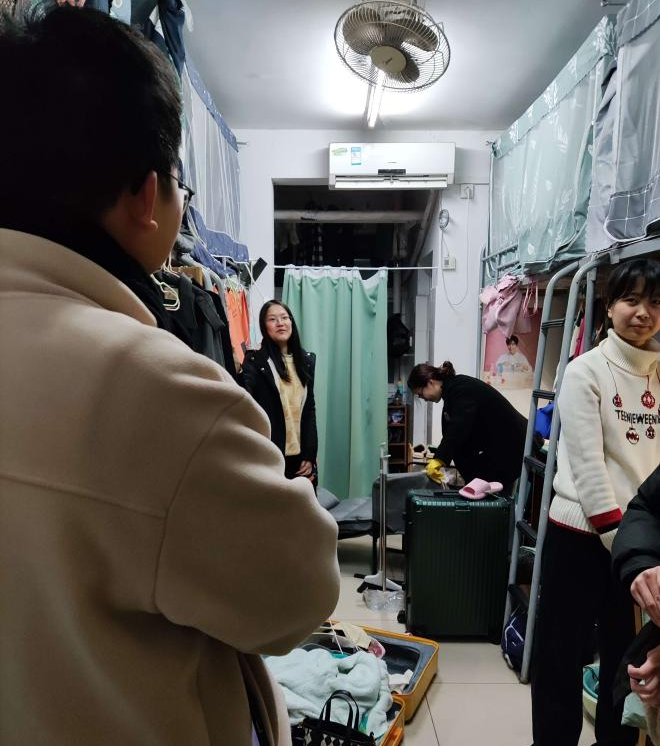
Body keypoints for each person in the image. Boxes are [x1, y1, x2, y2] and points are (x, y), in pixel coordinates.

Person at [0, 6, 339, 746]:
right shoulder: (162, 391)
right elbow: (299, 593)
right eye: (180, 184)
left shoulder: (279, 363)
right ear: (144, 195)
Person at [530, 258, 660, 746]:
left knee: (627, 660)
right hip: (582, 535)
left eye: (655, 302)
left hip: (638, 546)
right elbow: (588, 468)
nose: (643, 312)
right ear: (609, 307)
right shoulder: (585, 370)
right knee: (560, 657)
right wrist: (630, 548)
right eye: (631, 299)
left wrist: (642, 547)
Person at [407, 361, 527, 494]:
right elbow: (453, 434)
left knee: (494, 497)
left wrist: (439, 459)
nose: (422, 398)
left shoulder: (461, 388)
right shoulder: (451, 395)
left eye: (421, 393)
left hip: (514, 444)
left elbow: (458, 428)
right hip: (504, 445)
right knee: (484, 490)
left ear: (430, 382)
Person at [240, 301, 318, 484]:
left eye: (284, 318)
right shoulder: (255, 361)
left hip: (300, 459)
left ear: (291, 322)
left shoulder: (306, 361)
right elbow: (245, 402)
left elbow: (309, 409)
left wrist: (310, 454)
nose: (280, 323)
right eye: (272, 319)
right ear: (264, 326)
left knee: (303, 503)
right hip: (270, 456)